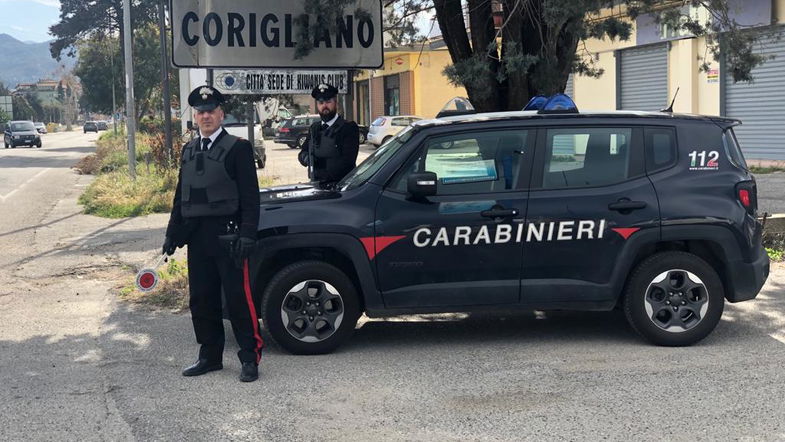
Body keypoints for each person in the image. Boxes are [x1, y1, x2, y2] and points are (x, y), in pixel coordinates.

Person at [162, 85, 263, 382]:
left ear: (221, 114)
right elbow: (182, 196)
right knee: (202, 299)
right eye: (200, 112)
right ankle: (209, 356)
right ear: (195, 117)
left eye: (211, 111)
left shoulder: (238, 148)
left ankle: (249, 357)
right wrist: (172, 233)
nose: (206, 116)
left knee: (237, 299)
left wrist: (248, 234)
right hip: (198, 238)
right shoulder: (189, 149)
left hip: (229, 237)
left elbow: (250, 196)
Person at [297, 83, 360, 187]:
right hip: (317, 185)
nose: (324, 106)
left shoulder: (348, 128)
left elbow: (348, 162)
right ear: (317, 105)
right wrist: (307, 158)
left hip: (341, 187)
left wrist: (321, 166)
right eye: (321, 102)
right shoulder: (314, 128)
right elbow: (302, 153)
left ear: (336, 103)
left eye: (328, 102)